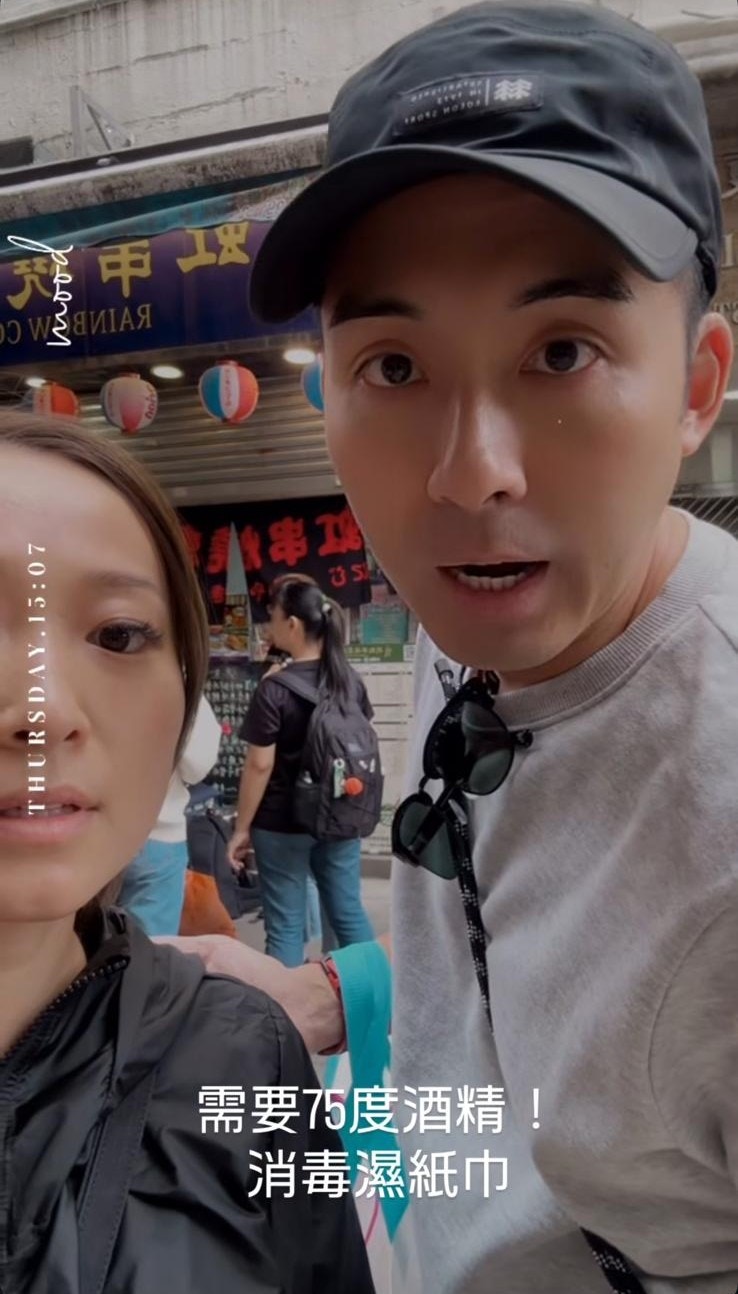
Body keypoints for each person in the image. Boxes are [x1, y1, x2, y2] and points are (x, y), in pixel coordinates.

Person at [166, 3, 738, 1291]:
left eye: (562, 350)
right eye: (393, 366)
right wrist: (334, 995)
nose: (470, 474)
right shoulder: (476, 615)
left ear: (698, 387)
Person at [0, 411, 375, 1294]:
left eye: (119, 635)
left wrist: (245, 834)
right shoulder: (346, 678)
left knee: (289, 918)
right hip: (337, 828)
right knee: (335, 911)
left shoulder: (247, 1059)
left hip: (276, 830)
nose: (44, 713)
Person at [228, 578, 375, 966]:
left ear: (292, 624)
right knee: (348, 913)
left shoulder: (274, 689)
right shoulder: (350, 682)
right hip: (340, 815)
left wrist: (241, 829)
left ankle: (287, 1003)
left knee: (286, 927)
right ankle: (370, 993)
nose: (269, 626)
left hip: (281, 824)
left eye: (273, 617)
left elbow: (260, 764)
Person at [118, 693, 222, 935]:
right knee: (150, 942)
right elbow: (197, 765)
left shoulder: (80, 677)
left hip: (88, 831)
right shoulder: (178, 685)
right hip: (159, 833)